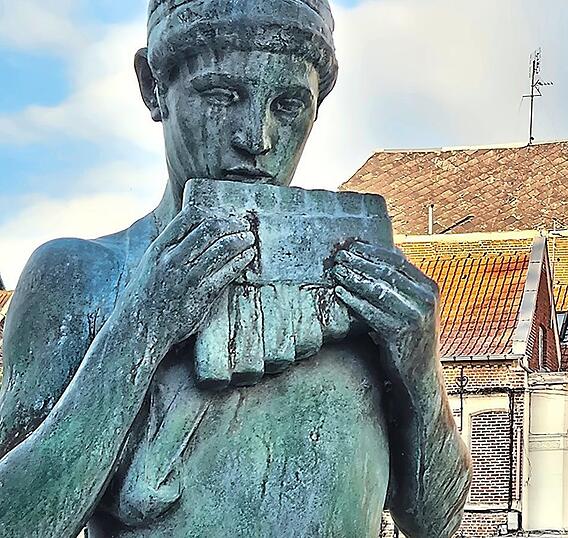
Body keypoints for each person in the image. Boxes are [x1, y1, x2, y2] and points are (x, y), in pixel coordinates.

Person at [0, 1, 470, 537]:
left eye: (289, 105)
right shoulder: (77, 278)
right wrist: (139, 332)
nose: (258, 138)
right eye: (222, 95)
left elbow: (438, 524)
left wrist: (419, 368)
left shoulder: (362, 297)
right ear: (153, 87)